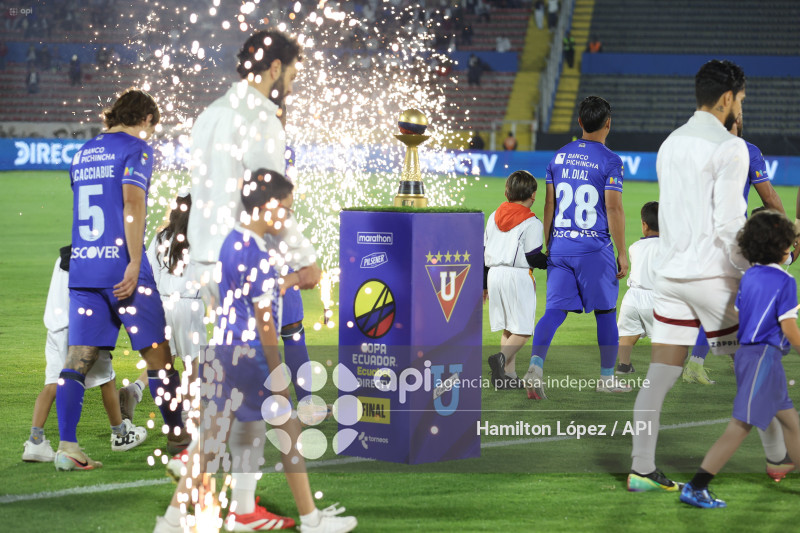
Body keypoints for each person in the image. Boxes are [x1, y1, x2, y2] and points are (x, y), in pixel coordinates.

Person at [154, 170, 357, 533]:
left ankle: (174, 522)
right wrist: (277, 374)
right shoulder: (258, 254)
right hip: (251, 358)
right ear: (269, 206)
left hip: (224, 351)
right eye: (287, 209)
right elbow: (266, 323)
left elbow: (249, 293)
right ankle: (311, 519)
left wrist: (294, 280)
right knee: (288, 433)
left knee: (216, 441)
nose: (288, 218)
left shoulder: (232, 242)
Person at [186, 29, 320, 529]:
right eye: (291, 72)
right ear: (273, 68)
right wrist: (307, 258)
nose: (292, 82)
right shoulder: (261, 116)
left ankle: (234, 507)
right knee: (253, 393)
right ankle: (206, 510)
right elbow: (271, 199)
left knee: (231, 395)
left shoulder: (209, 114)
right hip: (241, 263)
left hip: (206, 264)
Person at [627, 59, 749, 492]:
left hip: (671, 275)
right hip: (714, 278)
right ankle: (781, 456)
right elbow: (731, 224)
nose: (742, 106)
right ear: (726, 98)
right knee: (756, 370)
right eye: (741, 98)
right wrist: (754, 269)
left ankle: (640, 469)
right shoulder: (732, 147)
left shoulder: (670, 143)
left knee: (658, 378)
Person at [55, 89, 186, 471]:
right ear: (145, 118)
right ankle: (179, 437)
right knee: (158, 354)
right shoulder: (136, 149)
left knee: (77, 359)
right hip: (122, 267)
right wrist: (132, 263)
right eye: (152, 127)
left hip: (84, 269)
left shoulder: (82, 153)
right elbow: (132, 203)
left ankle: (67, 446)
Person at [680, 211, 800, 508]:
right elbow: (789, 328)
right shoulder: (785, 281)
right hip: (764, 357)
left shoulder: (750, 276)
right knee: (740, 426)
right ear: (783, 246)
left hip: (750, 355)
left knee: (792, 425)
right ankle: (697, 486)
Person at [523, 95, 630, 399]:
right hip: (593, 248)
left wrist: (546, 245)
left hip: (559, 246)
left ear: (580, 122)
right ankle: (607, 378)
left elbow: (548, 203)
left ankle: (535, 365)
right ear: (608, 124)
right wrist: (622, 252)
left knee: (554, 311)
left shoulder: (558, 156)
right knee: (607, 312)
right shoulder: (611, 160)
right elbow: (614, 209)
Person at [685, 112, 786, 386]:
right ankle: (698, 361)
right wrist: (788, 228)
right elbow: (769, 196)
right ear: (735, 123)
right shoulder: (748, 151)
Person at [24, 245, 147, 463]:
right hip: (85, 330)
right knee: (107, 380)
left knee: (53, 382)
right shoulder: (99, 259)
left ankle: (35, 442)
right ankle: (120, 434)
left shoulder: (63, 256)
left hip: (56, 329)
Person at [119, 190, 205, 421]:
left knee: (162, 360)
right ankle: (188, 412)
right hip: (189, 307)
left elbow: (148, 273)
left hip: (162, 304)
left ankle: (136, 389)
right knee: (193, 362)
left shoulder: (160, 238)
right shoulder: (201, 238)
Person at [484, 171, 546, 389]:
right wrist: (553, 262)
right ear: (534, 195)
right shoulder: (532, 222)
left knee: (508, 327)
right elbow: (533, 256)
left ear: (506, 192)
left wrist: (484, 285)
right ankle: (500, 359)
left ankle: (507, 377)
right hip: (517, 276)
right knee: (523, 330)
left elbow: (484, 251)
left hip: (493, 274)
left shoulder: (493, 216)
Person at [615, 202, 659, 375]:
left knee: (628, 333)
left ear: (644, 225)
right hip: (656, 299)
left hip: (632, 298)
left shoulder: (635, 247)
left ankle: (623, 366)